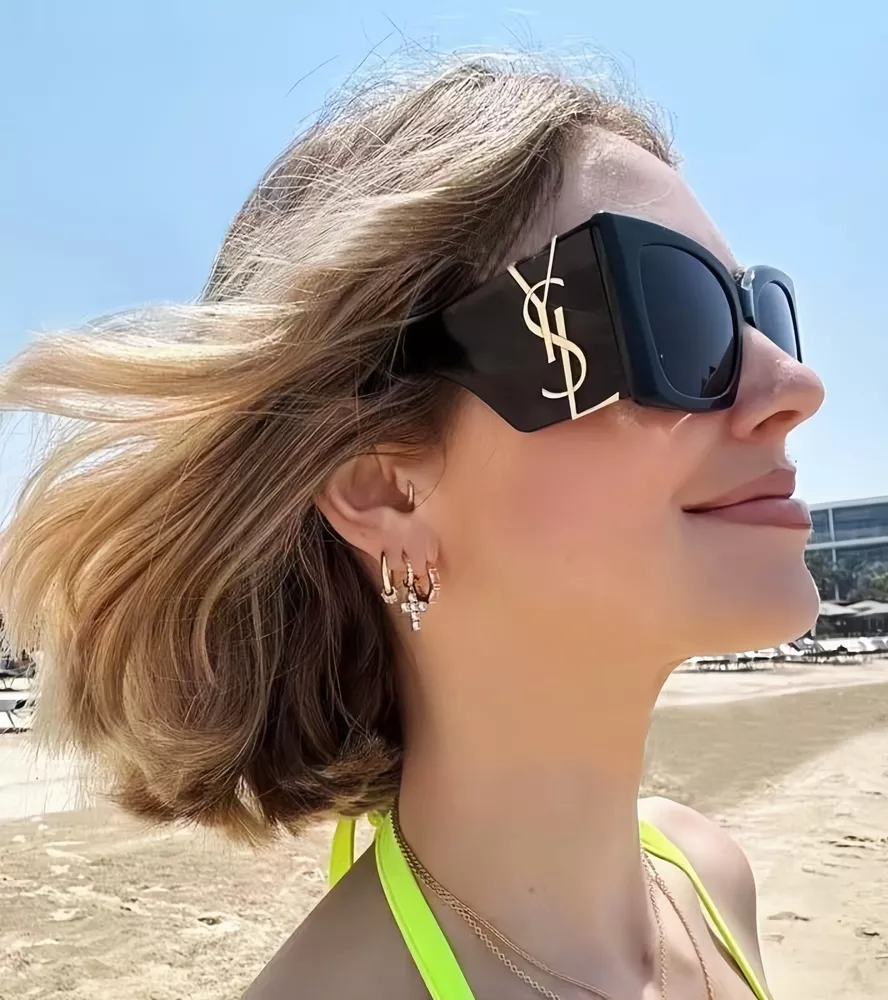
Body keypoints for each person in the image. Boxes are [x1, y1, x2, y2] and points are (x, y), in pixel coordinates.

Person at [0, 55, 824, 999]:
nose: (794, 385)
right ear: (383, 487)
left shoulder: (707, 879)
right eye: (671, 313)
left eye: (760, 311)